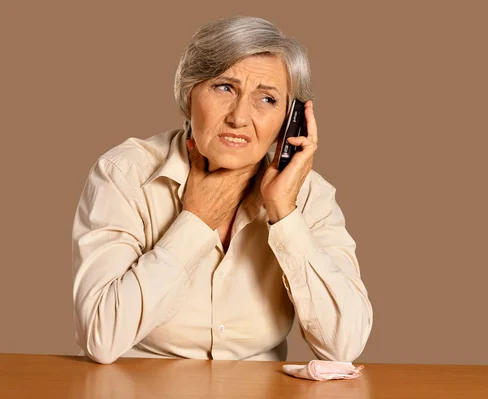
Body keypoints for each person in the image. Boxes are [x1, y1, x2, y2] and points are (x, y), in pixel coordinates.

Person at [71, 15, 373, 365]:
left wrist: (284, 213)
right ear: (188, 94)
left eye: (267, 99)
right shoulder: (124, 175)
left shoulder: (308, 195)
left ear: (290, 121)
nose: (239, 117)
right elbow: (100, 336)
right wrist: (195, 221)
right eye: (224, 88)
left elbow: (344, 346)